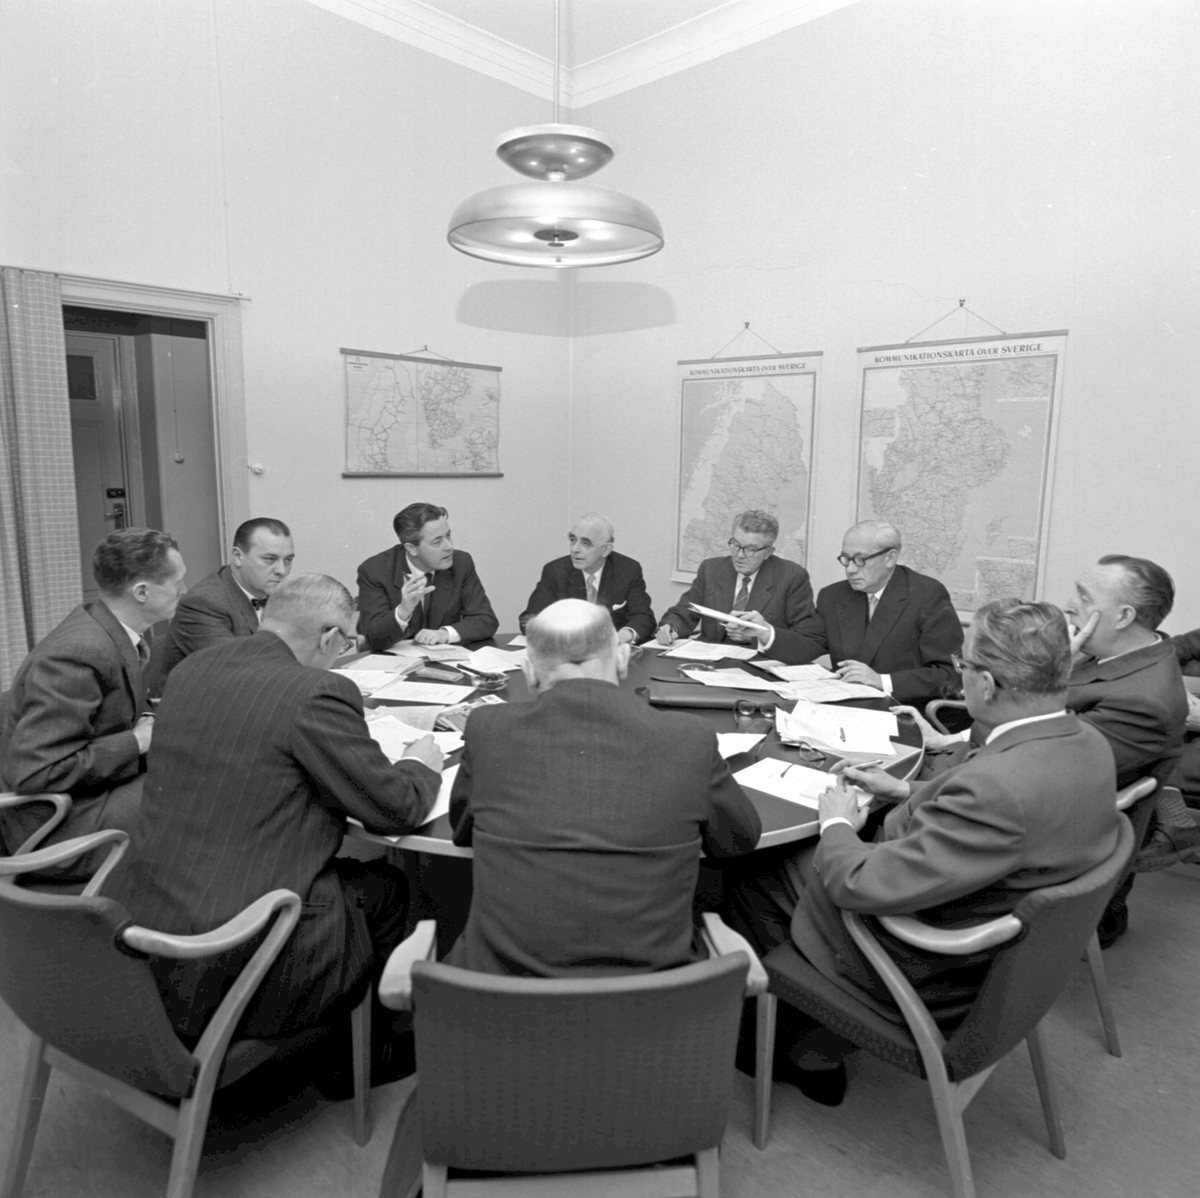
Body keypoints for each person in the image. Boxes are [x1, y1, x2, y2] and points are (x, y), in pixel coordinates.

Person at [727, 599, 1119, 1105]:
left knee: (750, 873)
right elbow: (984, 805)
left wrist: (837, 823)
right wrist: (903, 791)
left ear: (987, 684)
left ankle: (799, 1051)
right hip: (982, 911)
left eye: (964, 664)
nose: (960, 673)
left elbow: (858, 884)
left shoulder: (999, 790)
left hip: (924, 960)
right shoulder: (1086, 741)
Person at [106, 574, 443, 1058]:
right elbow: (397, 809)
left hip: (146, 928)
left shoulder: (192, 669)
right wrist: (418, 764)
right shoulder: (316, 690)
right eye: (346, 642)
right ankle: (370, 1058)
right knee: (389, 888)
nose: (342, 652)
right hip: (237, 951)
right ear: (329, 637)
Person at [446, 599, 761, 977]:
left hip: (496, 996)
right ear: (623, 659)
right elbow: (738, 841)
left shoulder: (487, 729)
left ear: (528, 671)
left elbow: (462, 832)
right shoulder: (688, 738)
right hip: (660, 999)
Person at [911, 556, 1189, 938]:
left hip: (1012, 829)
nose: (1069, 606)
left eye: (1084, 597)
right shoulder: (1121, 655)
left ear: (1124, 617)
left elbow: (1032, 760)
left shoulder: (1144, 703)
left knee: (861, 809)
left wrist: (1054, 671)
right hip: (991, 776)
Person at [0, 528, 186, 863]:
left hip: (90, 795)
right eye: (177, 582)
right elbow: (37, 772)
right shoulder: (79, 652)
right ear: (142, 592)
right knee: (197, 796)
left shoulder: (112, 631)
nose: (184, 591)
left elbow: (120, 713)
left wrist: (149, 722)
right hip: (55, 825)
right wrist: (137, 741)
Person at [762, 521, 962, 707]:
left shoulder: (927, 595)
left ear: (890, 558)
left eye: (860, 560)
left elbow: (950, 674)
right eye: (846, 559)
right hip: (845, 706)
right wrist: (765, 633)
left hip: (903, 709)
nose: (850, 569)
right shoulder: (834, 596)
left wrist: (881, 681)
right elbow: (809, 644)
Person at [146, 516, 295, 693]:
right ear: (238, 557)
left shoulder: (281, 596)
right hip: (206, 703)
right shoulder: (203, 603)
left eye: (288, 560)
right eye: (270, 559)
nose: (281, 571)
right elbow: (240, 670)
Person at [657, 510, 813, 647]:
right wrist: (671, 629)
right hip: (710, 657)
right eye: (736, 545)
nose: (740, 555)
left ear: (768, 552)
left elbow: (804, 636)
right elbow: (684, 612)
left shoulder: (791, 577)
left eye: (750, 549)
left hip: (758, 660)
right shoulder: (712, 569)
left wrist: (756, 636)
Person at [356, 502, 497, 651]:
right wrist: (403, 611)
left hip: (445, 660)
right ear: (411, 548)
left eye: (448, 535)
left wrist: (445, 634)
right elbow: (374, 638)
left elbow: (486, 620)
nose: (449, 546)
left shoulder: (461, 563)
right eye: (437, 541)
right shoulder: (375, 571)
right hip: (391, 661)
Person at [518, 512, 655, 644]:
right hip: (567, 651)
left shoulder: (627, 570)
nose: (575, 549)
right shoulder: (555, 571)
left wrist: (624, 635)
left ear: (605, 550)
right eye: (573, 540)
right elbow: (529, 619)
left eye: (585, 543)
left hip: (611, 652)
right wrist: (559, 638)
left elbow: (643, 616)